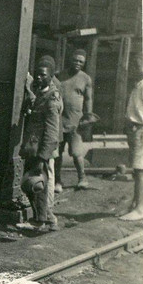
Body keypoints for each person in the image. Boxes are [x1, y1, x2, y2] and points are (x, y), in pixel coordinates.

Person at [20, 56, 62, 232]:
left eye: (43, 75)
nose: (38, 78)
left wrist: (42, 157)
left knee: (37, 184)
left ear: (51, 76)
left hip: (41, 149)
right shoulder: (40, 93)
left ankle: (39, 221)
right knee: (32, 183)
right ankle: (49, 219)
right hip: (33, 146)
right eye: (37, 74)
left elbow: (52, 132)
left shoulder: (51, 99)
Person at [54, 48, 95, 191]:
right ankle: (57, 181)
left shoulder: (86, 79)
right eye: (75, 60)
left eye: (81, 61)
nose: (77, 63)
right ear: (70, 60)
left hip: (75, 122)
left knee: (77, 153)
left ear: (84, 63)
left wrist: (88, 116)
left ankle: (82, 178)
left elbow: (88, 99)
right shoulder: (59, 75)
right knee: (57, 153)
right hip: (59, 121)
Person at [120, 57, 143, 221]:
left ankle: (141, 208)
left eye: (139, 64)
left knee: (141, 169)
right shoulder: (139, 83)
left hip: (141, 128)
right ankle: (135, 204)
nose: (136, 68)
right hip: (135, 128)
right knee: (137, 170)